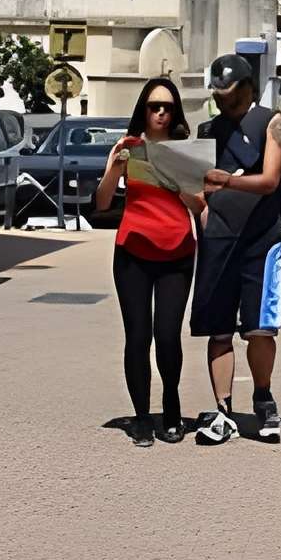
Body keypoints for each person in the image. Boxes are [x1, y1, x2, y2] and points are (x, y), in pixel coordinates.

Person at [189, 53, 281, 444]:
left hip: (262, 237)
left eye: (230, 95)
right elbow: (194, 183)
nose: (223, 103)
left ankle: (264, 399)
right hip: (219, 237)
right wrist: (198, 206)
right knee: (218, 329)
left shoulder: (271, 121)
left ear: (248, 89)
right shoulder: (207, 129)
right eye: (218, 96)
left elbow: (269, 179)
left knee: (260, 327)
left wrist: (226, 183)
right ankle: (223, 409)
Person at [91, 79, 200, 445]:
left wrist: (175, 182)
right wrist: (114, 169)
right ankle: (140, 418)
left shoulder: (185, 151)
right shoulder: (128, 147)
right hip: (133, 252)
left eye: (167, 107)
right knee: (138, 337)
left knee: (167, 336)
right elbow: (103, 202)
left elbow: (200, 205)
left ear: (175, 113)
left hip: (177, 253)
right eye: (154, 106)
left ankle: (171, 404)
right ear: (144, 109)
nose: (161, 113)